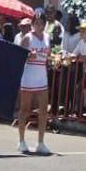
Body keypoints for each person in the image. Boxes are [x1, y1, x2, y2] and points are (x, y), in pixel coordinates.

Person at [16, 11, 52, 154]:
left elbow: (48, 54)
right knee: (25, 110)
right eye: (36, 23)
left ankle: (41, 142)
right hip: (29, 76)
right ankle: (21, 140)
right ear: (32, 24)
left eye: (41, 23)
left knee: (43, 110)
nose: (39, 25)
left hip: (42, 76)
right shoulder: (27, 38)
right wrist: (28, 56)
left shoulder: (47, 37)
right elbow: (19, 56)